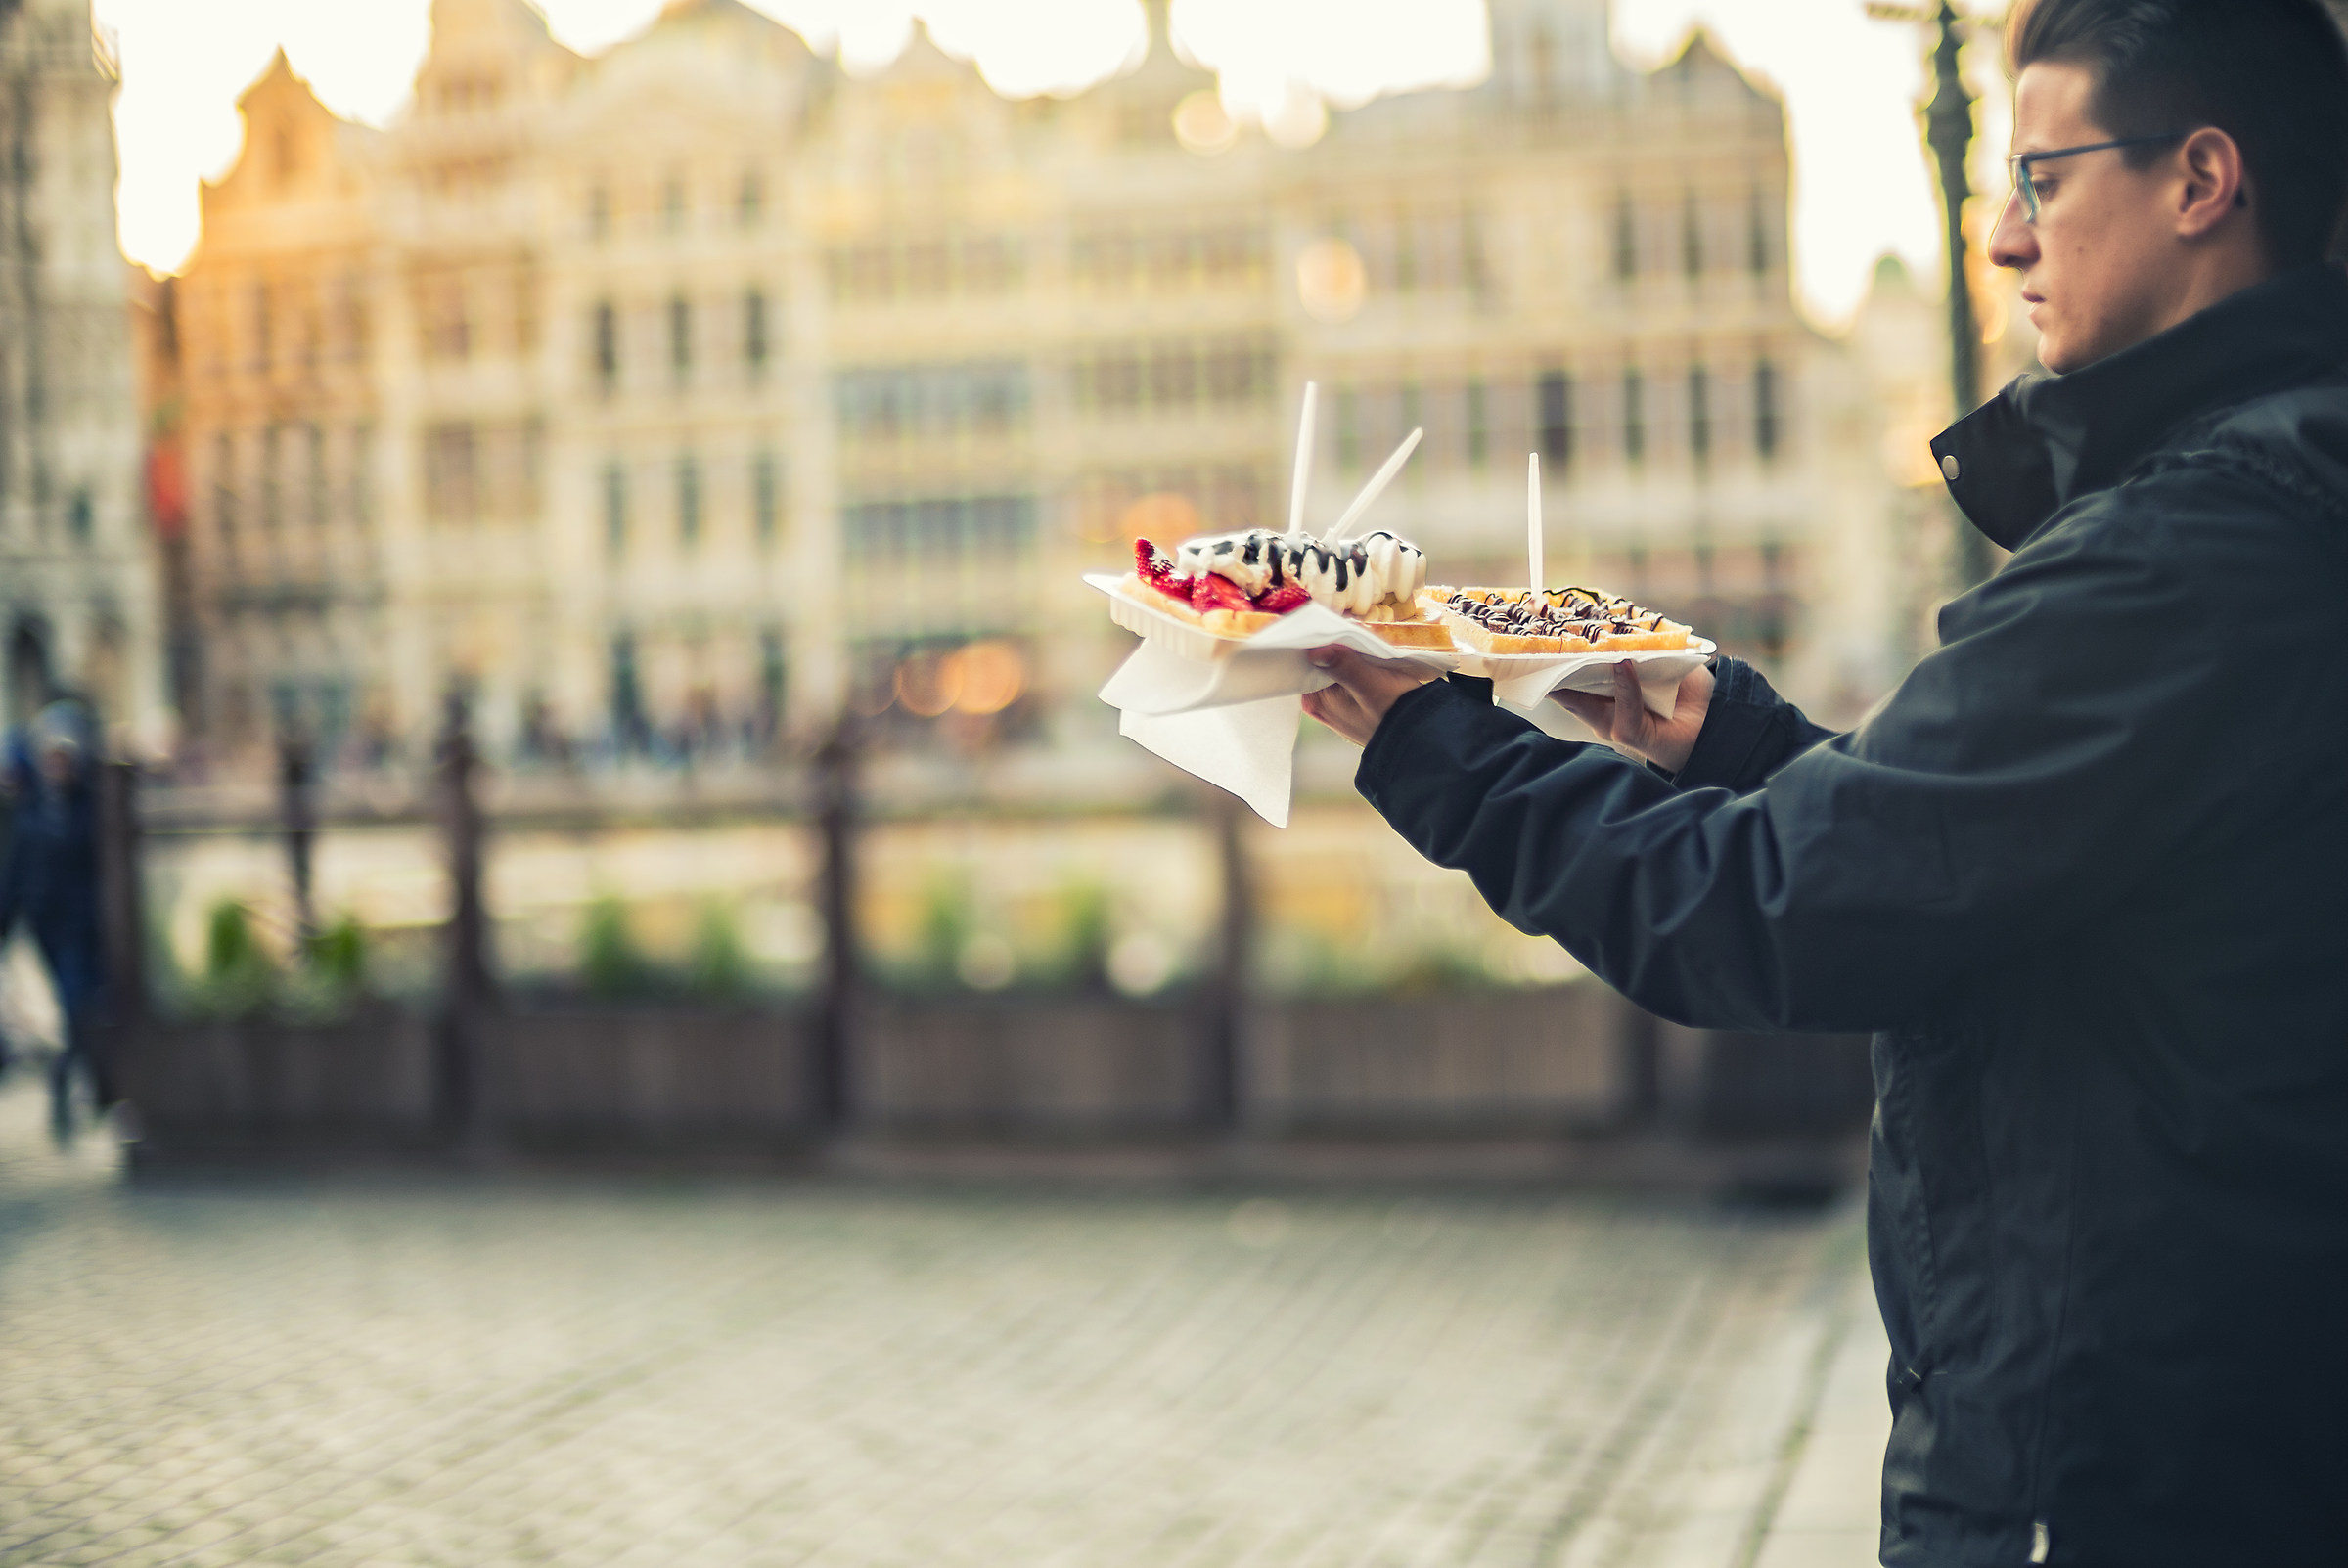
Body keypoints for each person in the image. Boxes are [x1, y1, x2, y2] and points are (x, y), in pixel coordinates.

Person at [1302, 1, 2348, 1562]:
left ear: (2202, 180)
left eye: (2044, 178)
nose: (2002, 237)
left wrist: (1423, 736)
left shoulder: (2190, 553)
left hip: (2133, 1463)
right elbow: (2001, 877)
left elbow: (1771, 908)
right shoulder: (2262, 504)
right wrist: (1731, 737)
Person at [4, 704, 113, 1137]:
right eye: (52, 758)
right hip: (50, 927)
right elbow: (17, 874)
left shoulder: (91, 808)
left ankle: (71, 1085)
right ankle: (74, 1085)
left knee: (82, 1007)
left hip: (86, 927)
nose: (58, 767)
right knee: (75, 1008)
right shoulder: (31, 812)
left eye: (65, 758)